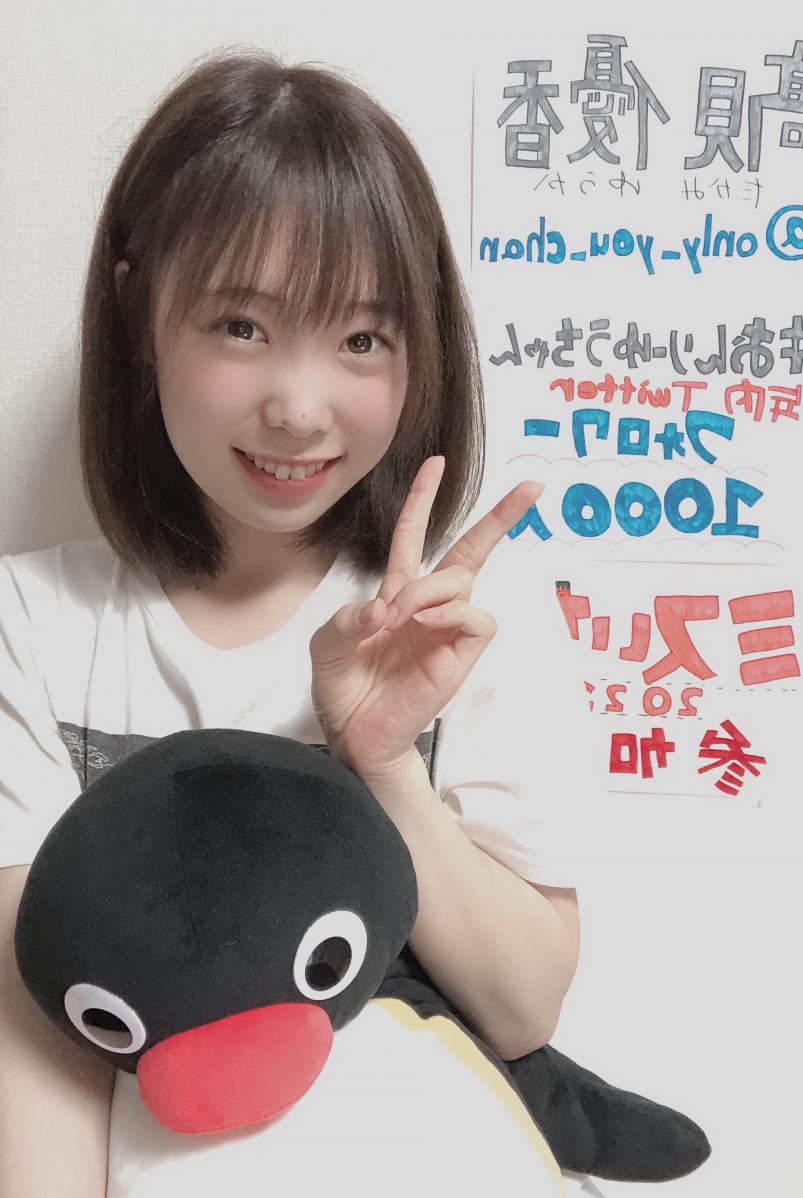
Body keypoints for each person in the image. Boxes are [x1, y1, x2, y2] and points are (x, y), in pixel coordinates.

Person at [0, 48, 592, 1195]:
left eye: (362, 338)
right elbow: (42, 1034)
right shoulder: (32, 625)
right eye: (242, 325)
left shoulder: (463, 625)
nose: (301, 407)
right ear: (139, 311)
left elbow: (525, 1009)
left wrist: (385, 764)